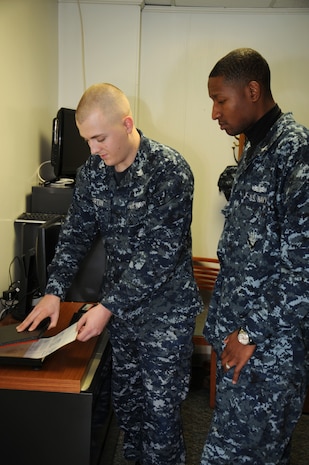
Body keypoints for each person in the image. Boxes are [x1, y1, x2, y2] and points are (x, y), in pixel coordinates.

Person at [17, 83, 202, 465]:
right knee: (129, 408)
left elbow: (159, 256)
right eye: (87, 140)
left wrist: (106, 307)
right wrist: (53, 291)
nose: (93, 149)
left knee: (161, 416)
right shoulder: (92, 173)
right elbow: (75, 236)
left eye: (99, 138)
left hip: (165, 314)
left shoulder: (169, 170)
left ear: (127, 124)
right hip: (122, 317)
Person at [201, 48, 309, 465]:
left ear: (252, 90)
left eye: (220, 100)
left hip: (267, 350)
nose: (214, 113)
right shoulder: (257, 148)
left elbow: (302, 270)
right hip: (242, 343)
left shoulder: (295, 152)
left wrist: (249, 334)